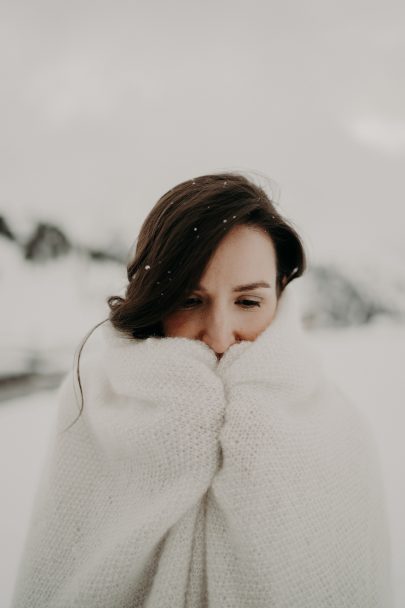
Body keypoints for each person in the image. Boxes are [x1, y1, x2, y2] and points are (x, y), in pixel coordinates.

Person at [11, 172, 392, 607]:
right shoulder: (94, 404)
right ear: (155, 300)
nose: (219, 335)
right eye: (189, 301)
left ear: (280, 296)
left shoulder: (336, 428)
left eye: (248, 302)